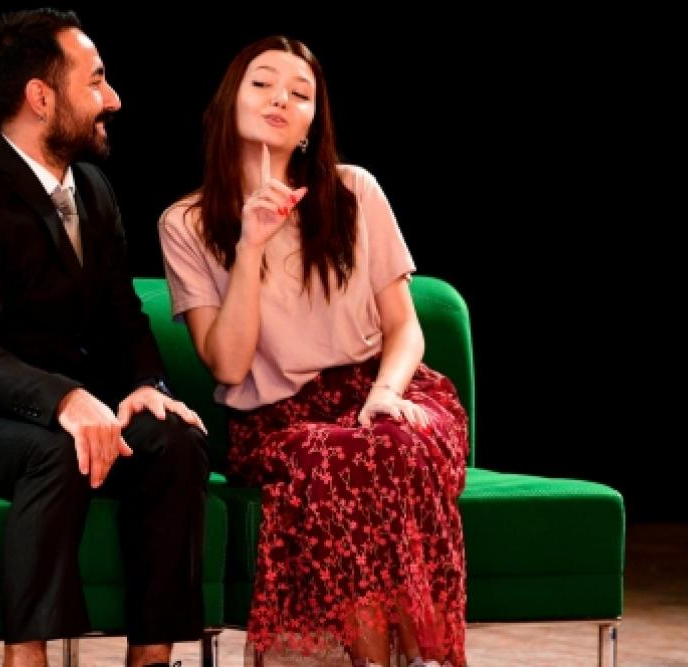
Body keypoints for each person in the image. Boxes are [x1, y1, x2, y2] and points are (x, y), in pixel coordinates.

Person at [0, 9, 210, 667]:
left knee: (174, 440)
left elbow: (124, 317)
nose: (112, 99)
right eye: (95, 81)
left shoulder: (94, 190)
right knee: (59, 449)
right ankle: (27, 655)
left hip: (60, 418)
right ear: (41, 97)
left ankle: (152, 657)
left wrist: (148, 386)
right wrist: (66, 399)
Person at [158, 36, 469, 667]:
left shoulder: (354, 191)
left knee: (395, 443)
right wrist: (250, 245)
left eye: (300, 94)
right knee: (335, 457)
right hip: (280, 421)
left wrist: (385, 394)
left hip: (384, 391)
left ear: (310, 126)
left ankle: (419, 659)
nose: (281, 98)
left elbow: (405, 328)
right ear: (228, 103)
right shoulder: (184, 223)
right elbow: (228, 365)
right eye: (263, 83)